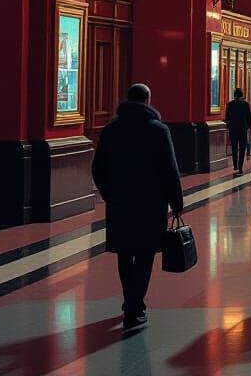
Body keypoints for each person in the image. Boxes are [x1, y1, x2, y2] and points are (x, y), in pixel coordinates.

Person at [92, 83, 183, 329]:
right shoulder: (158, 130)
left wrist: (109, 194)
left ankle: (130, 300)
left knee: (124, 252)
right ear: (148, 100)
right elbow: (169, 170)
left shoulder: (111, 130)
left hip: (120, 203)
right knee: (144, 253)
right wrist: (177, 202)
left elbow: (97, 167)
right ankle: (134, 305)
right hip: (150, 203)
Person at [225, 88, 251, 175]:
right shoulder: (245, 104)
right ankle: (240, 167)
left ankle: (235, 165)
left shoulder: (230, 104)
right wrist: (249, 127)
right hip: (243, 129)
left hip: (233, 129)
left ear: (234, 95)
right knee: (242, 148)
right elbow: (249, 117)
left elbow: (227, 118)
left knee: (234, 147)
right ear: (242, 94)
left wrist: (229, 126)